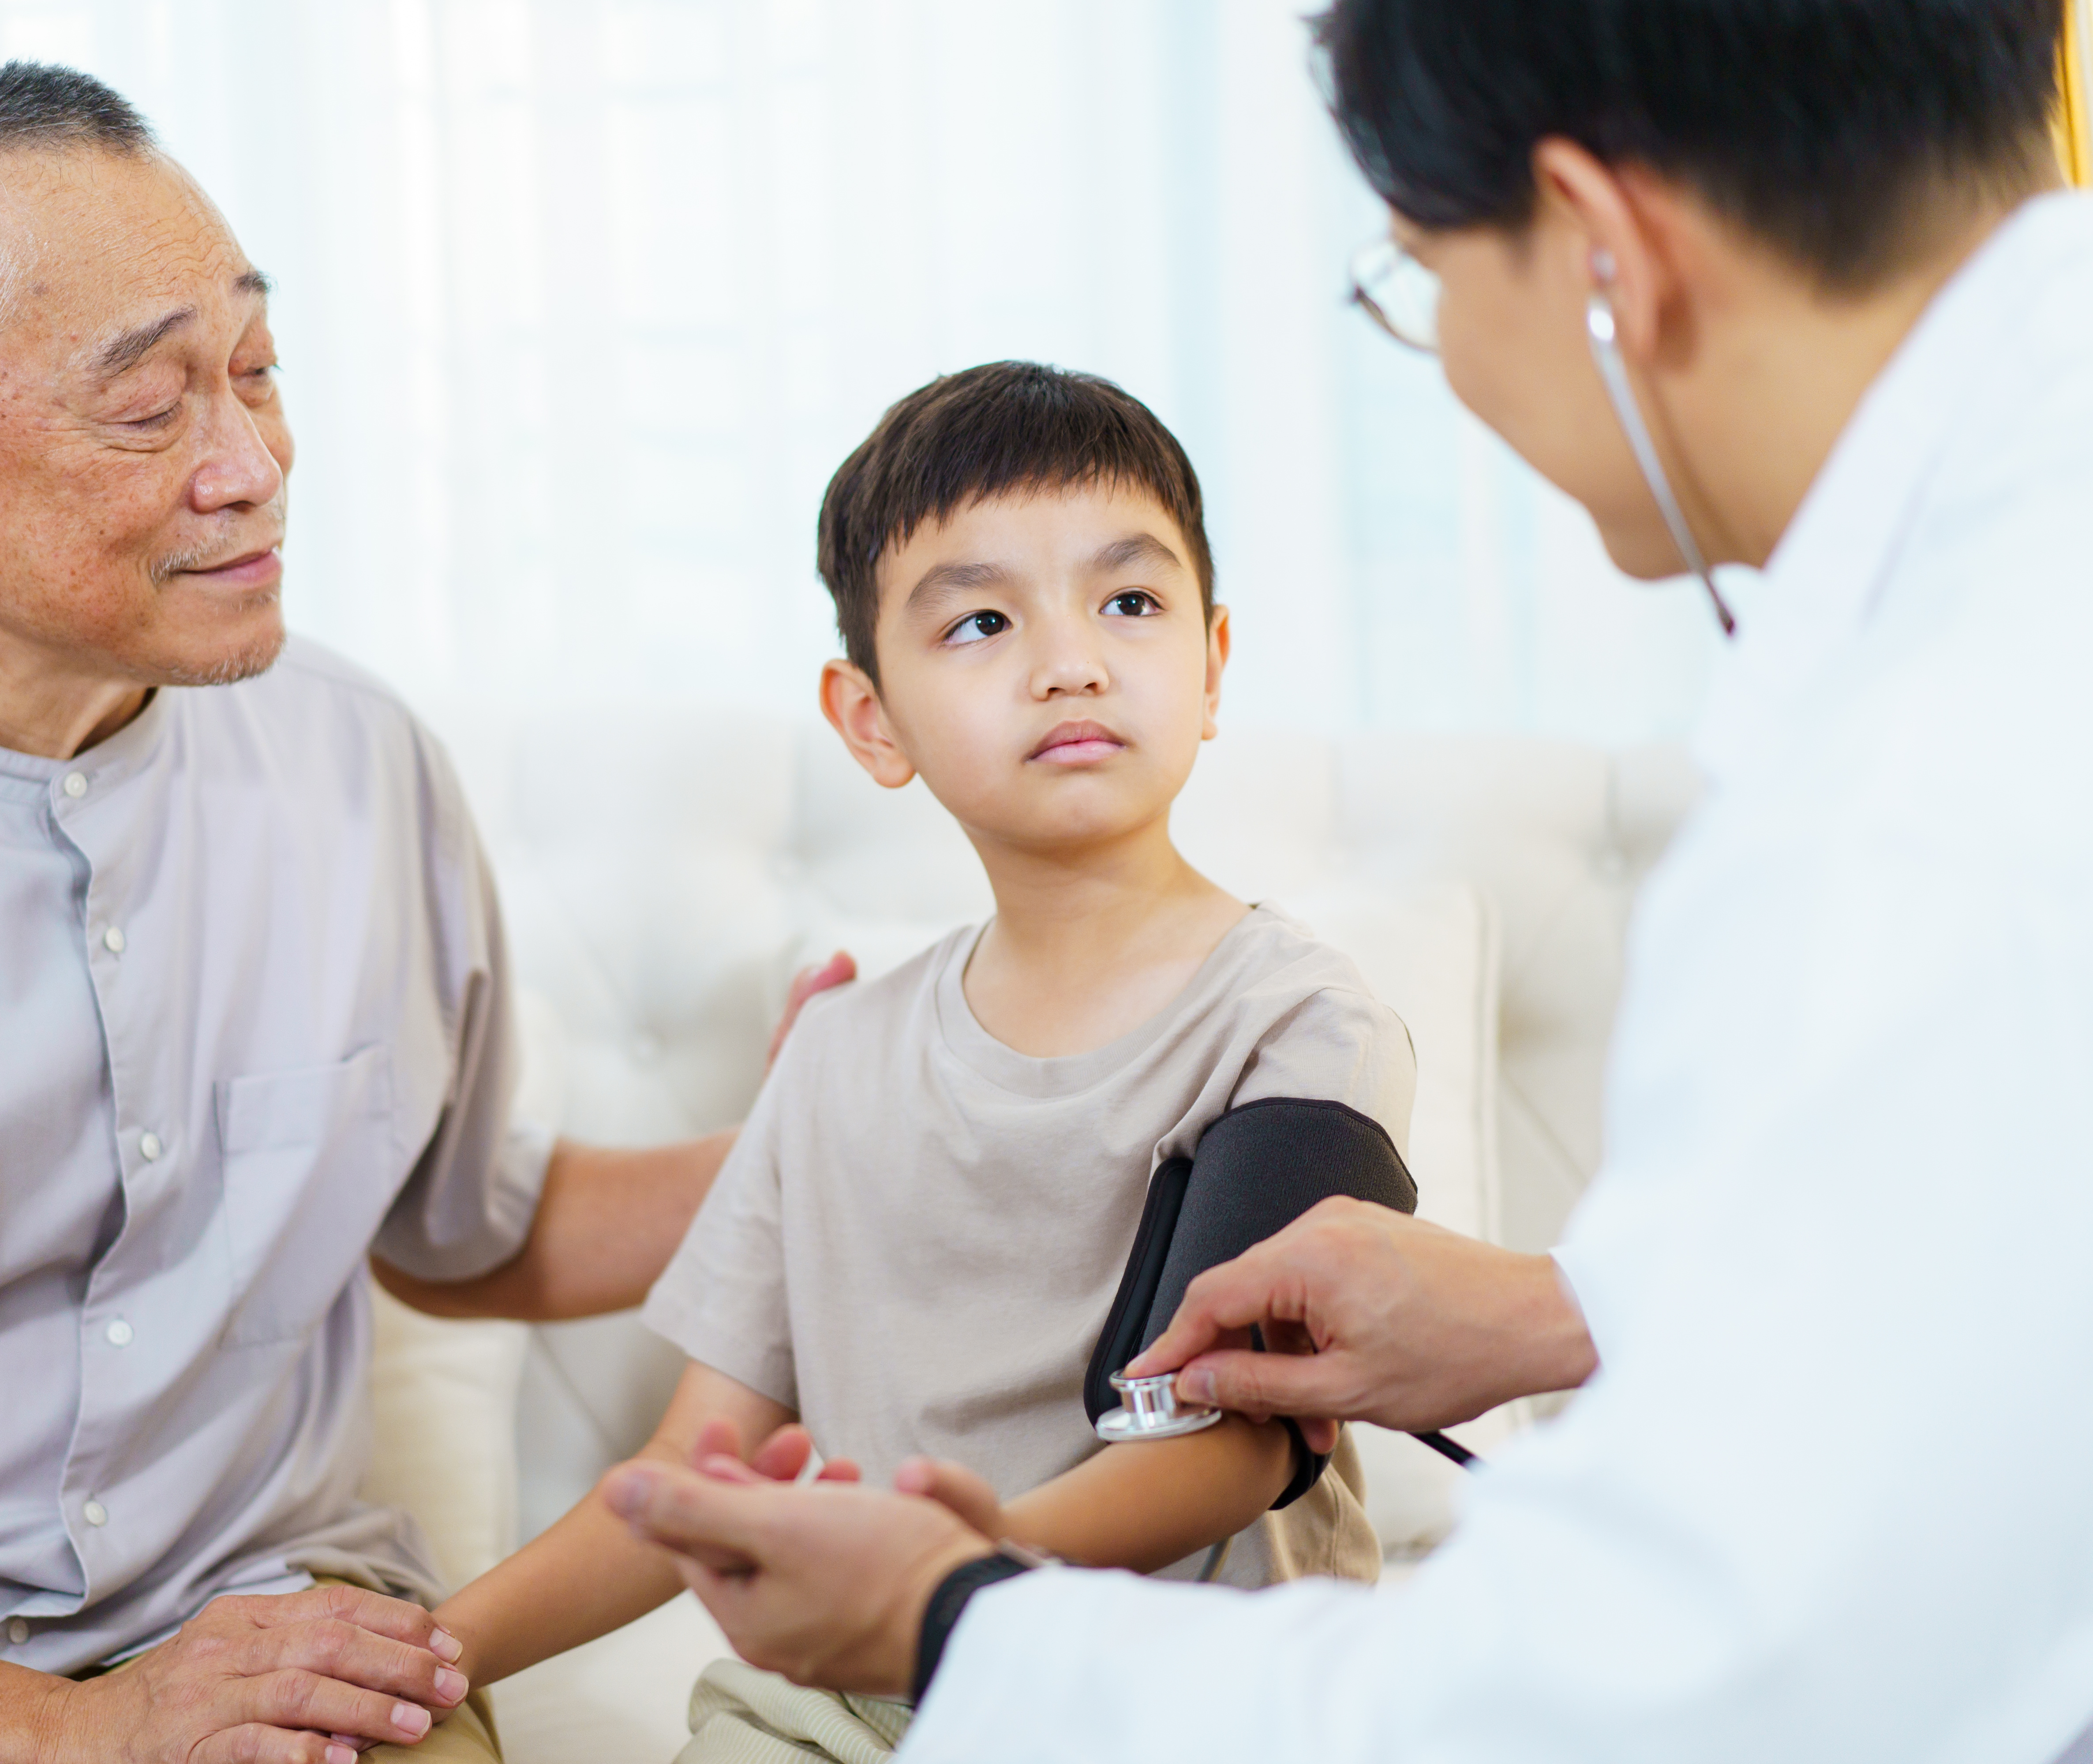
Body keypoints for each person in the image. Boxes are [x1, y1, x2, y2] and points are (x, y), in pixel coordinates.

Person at [597, 2, 2093, 1760]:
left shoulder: (1903, 805)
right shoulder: (1978, 656)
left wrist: (953, 1617)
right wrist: (1568, 1312)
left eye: (1423, 275)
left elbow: (1663, 1688)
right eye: (987, 619)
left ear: (1607, 255)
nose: (1443, 347)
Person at [0, 63, 832, 1764]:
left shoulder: (360, 762)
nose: (250, 466)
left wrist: (820, 1129)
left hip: (252, 1639)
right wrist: (70, 1737)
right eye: (147, 407)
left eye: (254, 369)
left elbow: (469, 1234)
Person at [427, 362, 1414, 1761]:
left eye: (1129, 602)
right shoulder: (833, 1058)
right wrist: (426, 1650)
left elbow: (1241, 1440)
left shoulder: (1302, 1023)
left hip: (1174, 1699)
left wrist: (957, 1571)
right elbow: (687, 1463)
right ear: (870, 719)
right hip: (845, 1701)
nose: (1070, 658)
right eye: (982, 621)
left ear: (1212, 665)